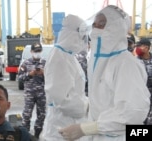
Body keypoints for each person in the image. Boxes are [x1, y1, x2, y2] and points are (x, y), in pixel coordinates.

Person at [59, 5, 150, 141]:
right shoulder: (99, 61)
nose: (96, 29)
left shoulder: (125, 63)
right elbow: (102, 102)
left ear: (116, 27)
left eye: (102, 24)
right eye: (95, 24)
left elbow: (132, 112)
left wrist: (86, 129)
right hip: (101, 135)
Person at [41, 14, 89, 141]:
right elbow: (60, 99)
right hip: (60, 130)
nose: (83, 40)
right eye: (82, 36)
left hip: (69, 127)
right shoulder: (59, 57)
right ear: (73, 34)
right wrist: (87, 106)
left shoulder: (68, 56)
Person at [18, 42, 46, 139]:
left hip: (42, 94)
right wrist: (30, 74)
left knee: (42, 115)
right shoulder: (25, 63)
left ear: (41, 51)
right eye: (35, 51)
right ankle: (25, 135)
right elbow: (20, 78)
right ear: (31, 52)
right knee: (27, 114)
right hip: (29, 93)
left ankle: (37, 135)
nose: (37, 53)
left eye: (39, 51)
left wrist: (43, 74)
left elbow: (52, 79)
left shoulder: (45, 63)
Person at [135, 38, 152, 125]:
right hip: (140, 95)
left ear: (146, 47)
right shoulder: (135, 61)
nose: (137, 49)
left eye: (139, 46)